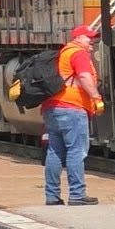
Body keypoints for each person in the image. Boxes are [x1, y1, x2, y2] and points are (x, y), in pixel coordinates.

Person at [41, 25, 104, 206]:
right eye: (88, 37)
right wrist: (96, 97)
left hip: (52, 108)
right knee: (77, 151)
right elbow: (84, 77)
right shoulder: (78, 53)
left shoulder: (63, 53)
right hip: (72, 109)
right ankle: (77, 194)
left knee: (54, 152)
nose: (91, 41)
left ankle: (52, 196)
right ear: (77, 38)